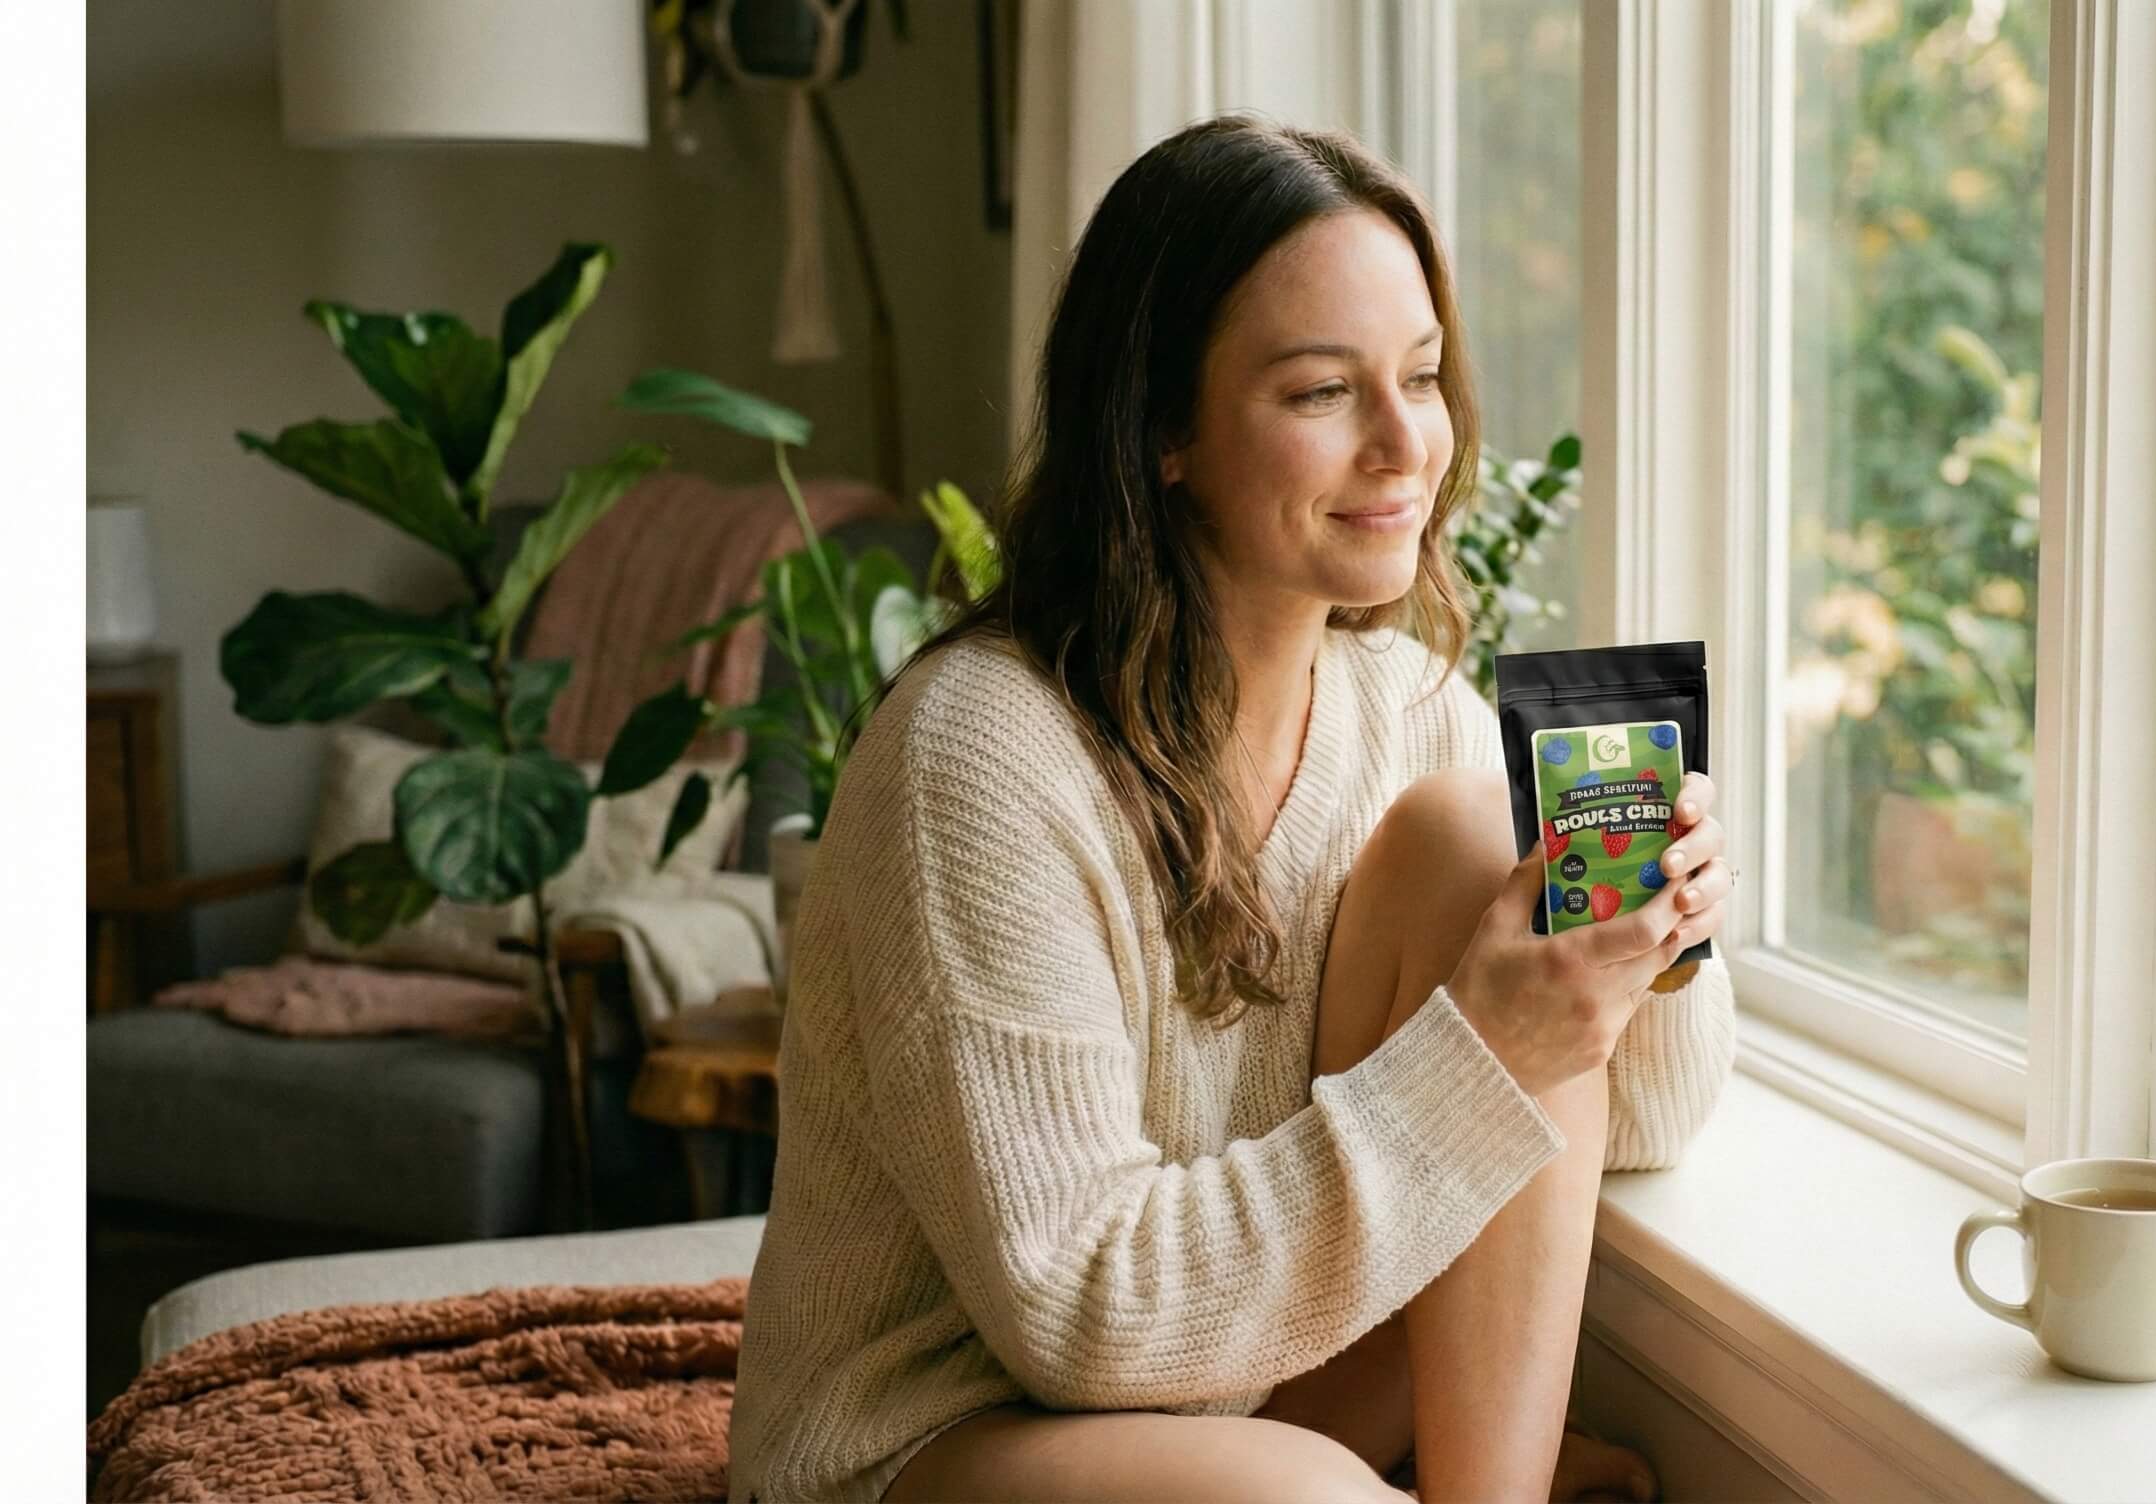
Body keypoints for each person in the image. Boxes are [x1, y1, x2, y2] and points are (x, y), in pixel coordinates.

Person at [728, 114, 1739, 1504]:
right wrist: (1483, 1046)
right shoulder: (975, 760)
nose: (1405, 446)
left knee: (1476, 839)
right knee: (1309, 1501)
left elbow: (1640, 1127)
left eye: (1425, 378)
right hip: (938, 1441)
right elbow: (1083, 1317)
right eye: (1324, 393)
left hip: (1260, 1384)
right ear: (1162, 433)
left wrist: (1660, 929)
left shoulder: (1410, 711)